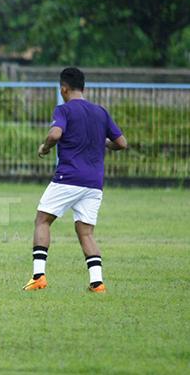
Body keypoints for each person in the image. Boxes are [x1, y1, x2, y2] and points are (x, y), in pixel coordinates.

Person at [23, 67, 127, 293]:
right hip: (94, 183)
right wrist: (103, 144)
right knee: (86, 232)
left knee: (42, 221)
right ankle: (97, 282)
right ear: (84, 88)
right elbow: (122, 143)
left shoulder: (64, 109)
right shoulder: (101, 112)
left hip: (68, 177)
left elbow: (54, 134)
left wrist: (46, 147)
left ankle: (38, 276)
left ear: (63, 89)